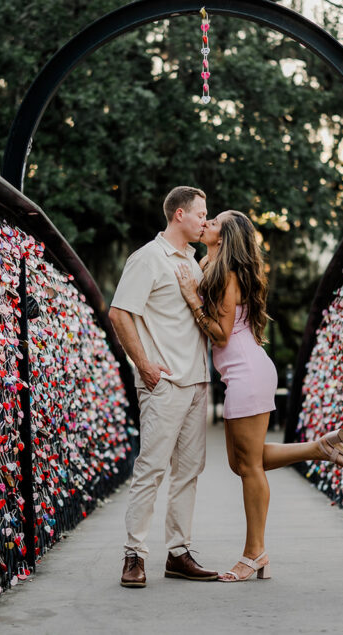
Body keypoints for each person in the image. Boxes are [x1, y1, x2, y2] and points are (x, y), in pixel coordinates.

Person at [174, 210, 343, 582]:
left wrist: (190, 298)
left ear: (224, 237)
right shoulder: (211, 265)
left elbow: (220, 335)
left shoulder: (228, 275)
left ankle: (254, 553)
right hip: (242, 373)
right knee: (240, 463)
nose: (207, 223)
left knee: (249, 468)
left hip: (246, 373)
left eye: (214, 222)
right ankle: (321, 449)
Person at [108, 186, 219, 588]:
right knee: (151, 469)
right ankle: (134, 555)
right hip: (164, 383)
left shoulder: (194, 261)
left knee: (188, 472)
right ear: (179, 214)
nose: (205, 221)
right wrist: (144, 366)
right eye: (200, 214)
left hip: (197, 382)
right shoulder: (148, 258)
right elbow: (119, 313)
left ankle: (178, 553)